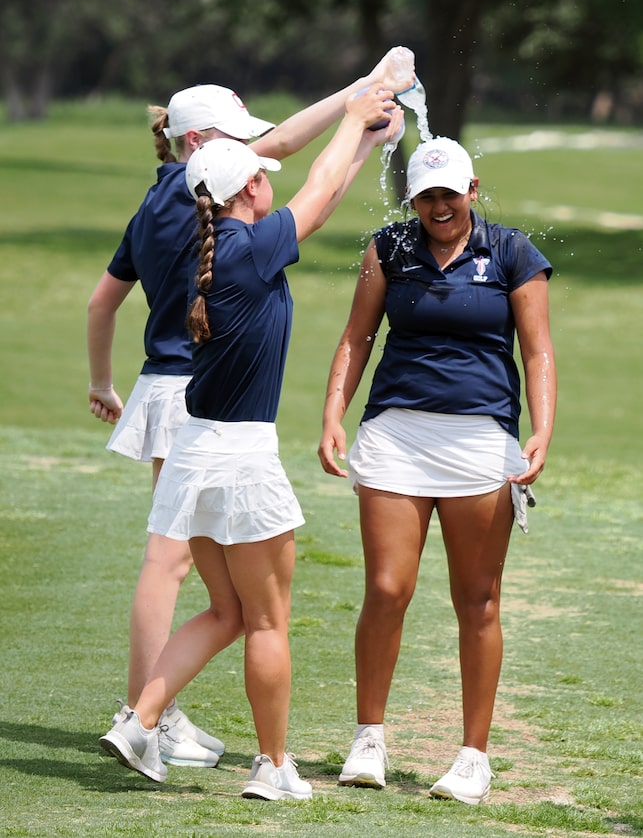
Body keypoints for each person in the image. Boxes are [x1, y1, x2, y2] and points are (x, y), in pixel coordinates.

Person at [87, 55, 413, 766]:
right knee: (231, 599)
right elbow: (309, 176)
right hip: (222, 426)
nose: (260, 159)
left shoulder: (190, 209)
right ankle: (234, 749)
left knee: (212, 597)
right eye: (246, 153)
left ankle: (144, 715)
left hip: (186, 410)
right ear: (205, 149)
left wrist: (361, 130)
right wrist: (357, 106)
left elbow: (311, 190)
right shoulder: (233, 232)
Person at [317, 136, 557, 805]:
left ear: (471, 190)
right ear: (413, 198)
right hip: (395, 433)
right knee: (387, 590)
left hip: (481, 440)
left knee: (476, 599)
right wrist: (333, 413)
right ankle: (369, 738)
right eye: (426, 195)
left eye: (449, 193)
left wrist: (542, 430)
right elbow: (355, 337)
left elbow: (536, 353)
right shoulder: (387, 249)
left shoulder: (510, 254)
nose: (439, 205)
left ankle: (472, 756)